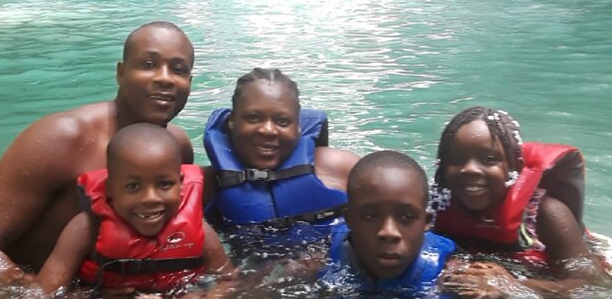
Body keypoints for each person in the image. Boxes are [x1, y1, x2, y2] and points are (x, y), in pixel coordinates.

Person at [0, 21, 196, 285]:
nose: (165, 78)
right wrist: (31, 290)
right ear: (121, 73)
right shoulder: (62, 138)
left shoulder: (177, 148)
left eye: (178, 70)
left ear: (189, 82)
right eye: (148, 64)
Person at [37, 123, 236, 296]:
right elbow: (44, 292)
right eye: (133, 186)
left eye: (165, 184)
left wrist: (206, 295)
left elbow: (230, 282)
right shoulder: (86, 229)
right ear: (110, 188)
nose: (150, 198)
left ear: (181, 186)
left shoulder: (201, 232)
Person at [432, 106, 611, 296]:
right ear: (442, 167)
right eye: (457, 160)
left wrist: (511, 286)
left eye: (489, 159)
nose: (471, 169)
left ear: (514, 167)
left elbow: (593, 284)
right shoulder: (435, 206)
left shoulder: (546, 213)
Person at [202, 68, 359, 255]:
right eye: (253, 118)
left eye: (282, 122)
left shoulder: (339, 167)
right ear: (232, 121)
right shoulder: (206, 185)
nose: (268, 130)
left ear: (298, 127)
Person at [319, 150, 456, 296]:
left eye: (407, 217)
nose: (389, 232)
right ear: (349, 220)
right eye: (371, 216)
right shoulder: (320, 261)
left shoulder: (450, 272)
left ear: (426, 222)